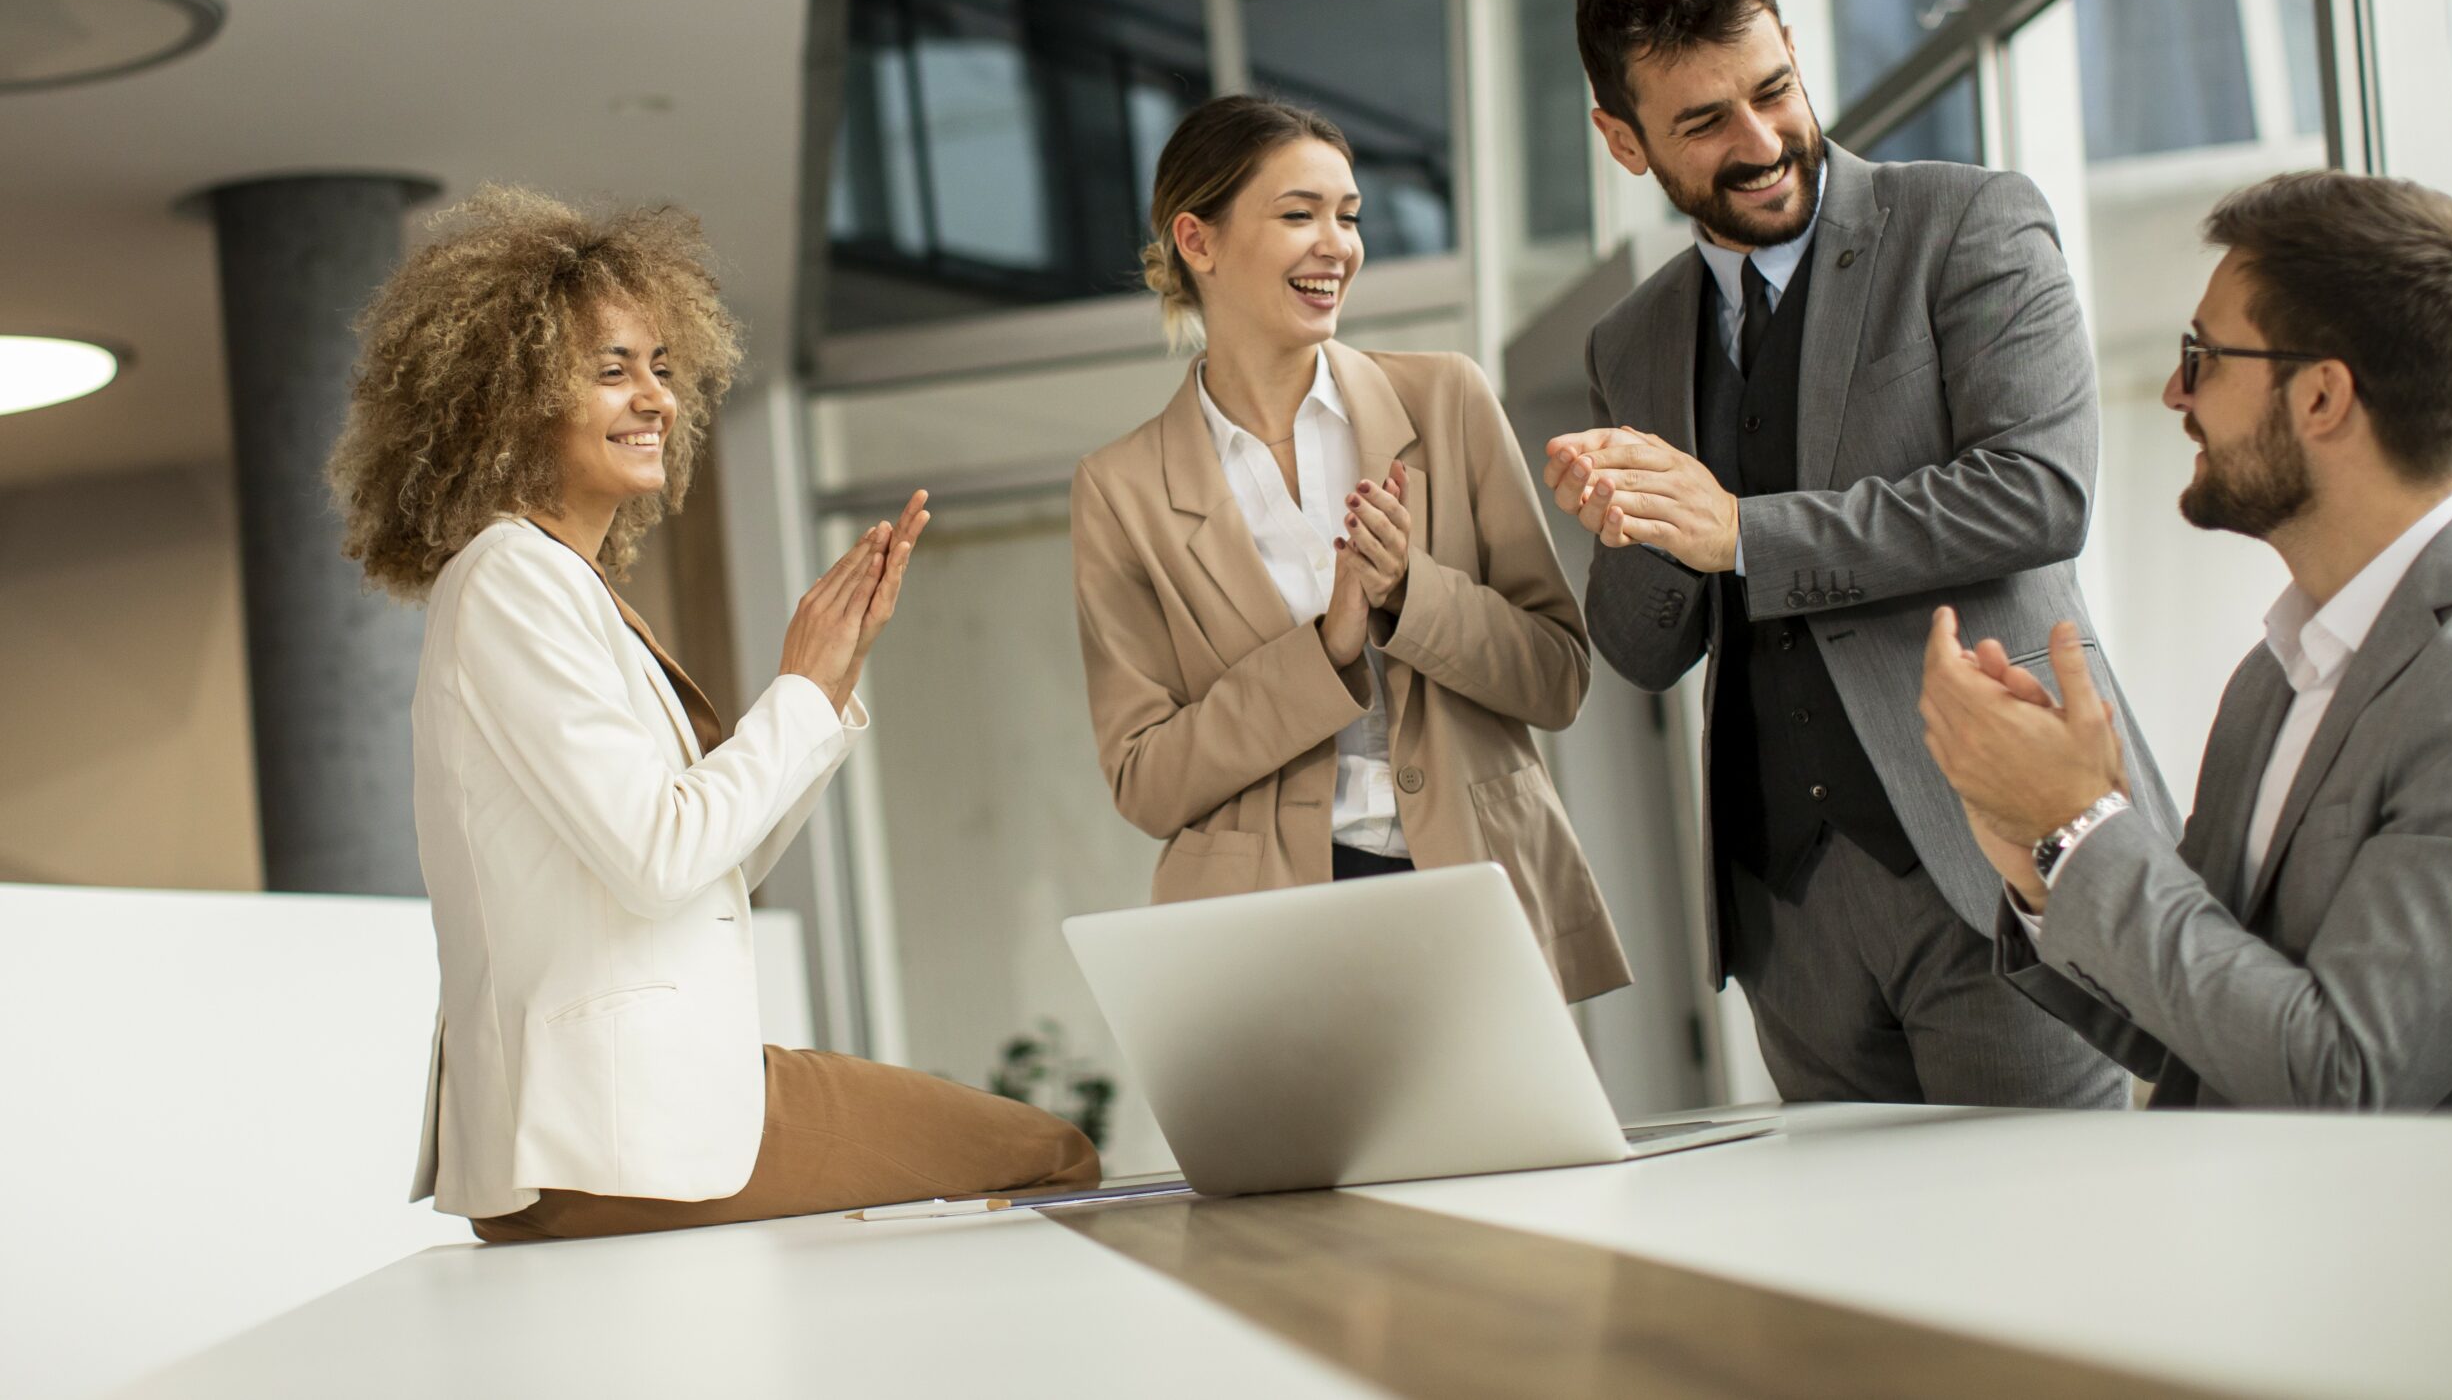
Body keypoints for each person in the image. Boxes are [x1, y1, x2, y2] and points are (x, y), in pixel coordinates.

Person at [332, 187, 1097, 1241]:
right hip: (614, 1128)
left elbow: (708, 861)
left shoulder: (552, 582)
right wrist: (790, 691)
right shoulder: (511, 578)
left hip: (632, 1116)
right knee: (1050, 1154)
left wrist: (820, 691)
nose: (655, 397)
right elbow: (661, 854)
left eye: (660, 365)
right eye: (611, 369)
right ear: (506, 400)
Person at [1548, 0, 2177, 1106]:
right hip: (1786, 914)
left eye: (1773, 91)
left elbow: (2039, 490)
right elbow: (1641, 650)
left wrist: (1744, 532)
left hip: (1994, 858)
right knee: (1857, 1282)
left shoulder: (1968, 224)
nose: (1758, 142)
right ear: (1621, 141)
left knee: (2063, 1249)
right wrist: (1635, 533)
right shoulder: (1628, 342)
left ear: (1792, 51)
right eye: (1700, 124)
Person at [1921, 171, 2452, 1110]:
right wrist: (2043, 855)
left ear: (2322, 398)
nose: (2178, 390)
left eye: (2206, 354)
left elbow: (2338, 1073)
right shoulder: (2272, 678)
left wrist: (2083, 825)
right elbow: (2185, 1022)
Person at [1070, 96, 1631, 1001]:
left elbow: (1557, 676)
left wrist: (1414, 595)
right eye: (1300, 214)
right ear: (1197, 241)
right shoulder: (1122, 489)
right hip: (1263, 930)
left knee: (1520, 1149)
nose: (1338, 243)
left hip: (1472, 886)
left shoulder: (1447, 399)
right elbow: (1145, 780)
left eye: (1349, 214)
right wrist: (1323, 653)